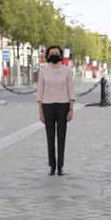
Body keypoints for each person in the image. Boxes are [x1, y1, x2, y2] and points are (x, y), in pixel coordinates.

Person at [36, 44, 74, 176]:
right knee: (50, 137)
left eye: (56, 53)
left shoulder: (67, 70)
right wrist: (40, 110)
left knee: (62, 136)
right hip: (47, 105)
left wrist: (71, 109)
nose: (54, 55)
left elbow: (71, 89)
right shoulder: (43, 70)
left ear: (60, 55)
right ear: (47, 56)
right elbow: (40, 90)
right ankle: (52, 165)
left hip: (63, 105)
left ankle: (61, 166)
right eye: (51, 53)